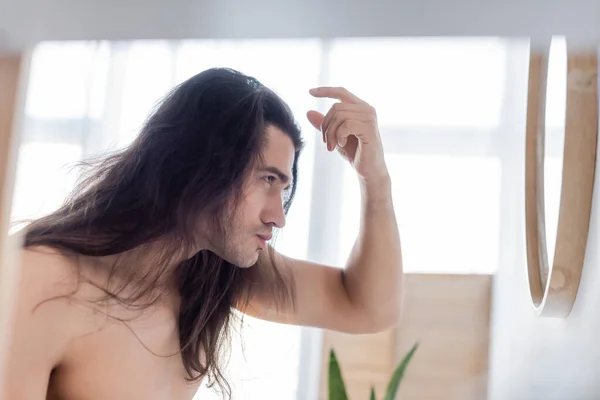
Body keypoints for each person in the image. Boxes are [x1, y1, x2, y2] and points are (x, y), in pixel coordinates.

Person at [4, 67, 403, 399]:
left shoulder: (212, 272)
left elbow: (368, 309)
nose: (278, 217)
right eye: (268, 179)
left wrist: (376, 181)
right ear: (202, 165)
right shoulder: (37, 282)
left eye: (283, 188)